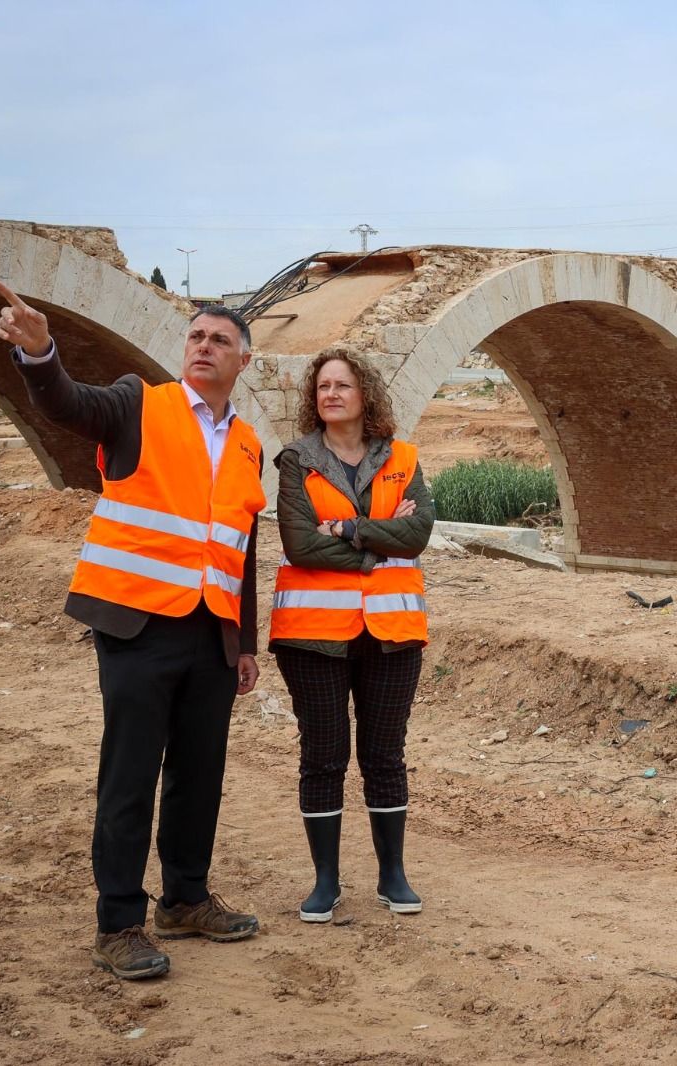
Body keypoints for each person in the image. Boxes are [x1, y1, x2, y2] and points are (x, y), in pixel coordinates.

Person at [0, 282, 265, 981]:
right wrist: (40, 354)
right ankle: (119, 923)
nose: (204, 347)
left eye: (219, 341)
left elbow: (241, 547)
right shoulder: (139, 403)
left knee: (199, 773)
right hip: (137, 623)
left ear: (244, 360)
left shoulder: (246, 445)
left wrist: (244, 643)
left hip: (211, 630)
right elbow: (68, 403)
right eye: (196, 338)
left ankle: (185, 898)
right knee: (131, 774)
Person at [270, 345, 434, 923]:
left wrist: (347, 528)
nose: (331, 394)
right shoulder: (296, 460)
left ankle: (393, 876)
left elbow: (416, 534)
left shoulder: (403, 457)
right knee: (324, 756)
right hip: (314, 635)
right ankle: (326, 881)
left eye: (342, 385)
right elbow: (299, 543)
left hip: (390, 632)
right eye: (322, 388)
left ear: (366, 393)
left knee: (384, 755)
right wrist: (372, 547)